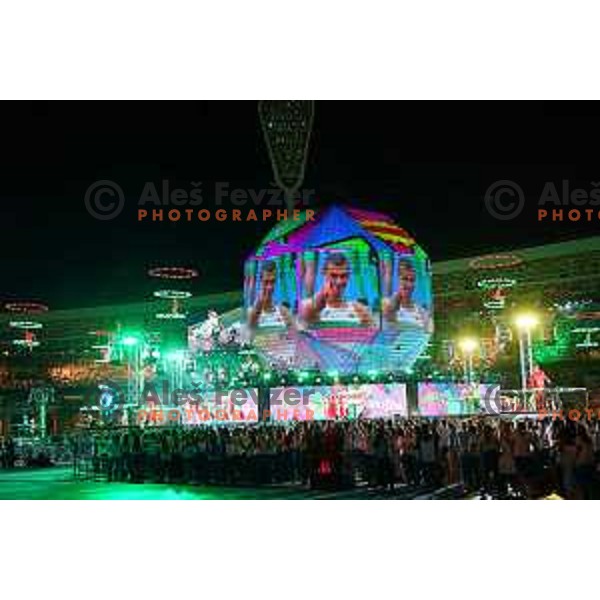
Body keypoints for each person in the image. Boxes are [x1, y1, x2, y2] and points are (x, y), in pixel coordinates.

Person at [299, 253, 374, 327]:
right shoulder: (308, 306)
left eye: (343, 276)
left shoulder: (360, 310)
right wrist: (322, 295)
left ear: (348, 276)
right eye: (333, 276)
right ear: (324, 274)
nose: (339, 282)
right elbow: (308, 311)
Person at [382, 259, 431, 331]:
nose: (408, 284)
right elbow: (390, 309)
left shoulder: (421, 311)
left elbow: (427, 332)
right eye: (404, 279)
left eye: (412, 280)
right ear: (398, 279)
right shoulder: (387, 304)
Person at [247, 260, 293, 330]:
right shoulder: (252, 312)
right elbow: (249, 330)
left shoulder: (284, 312)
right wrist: (258, 305)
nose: (270, 287)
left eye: (273, 281)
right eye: (266, 282)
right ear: (261, 280)